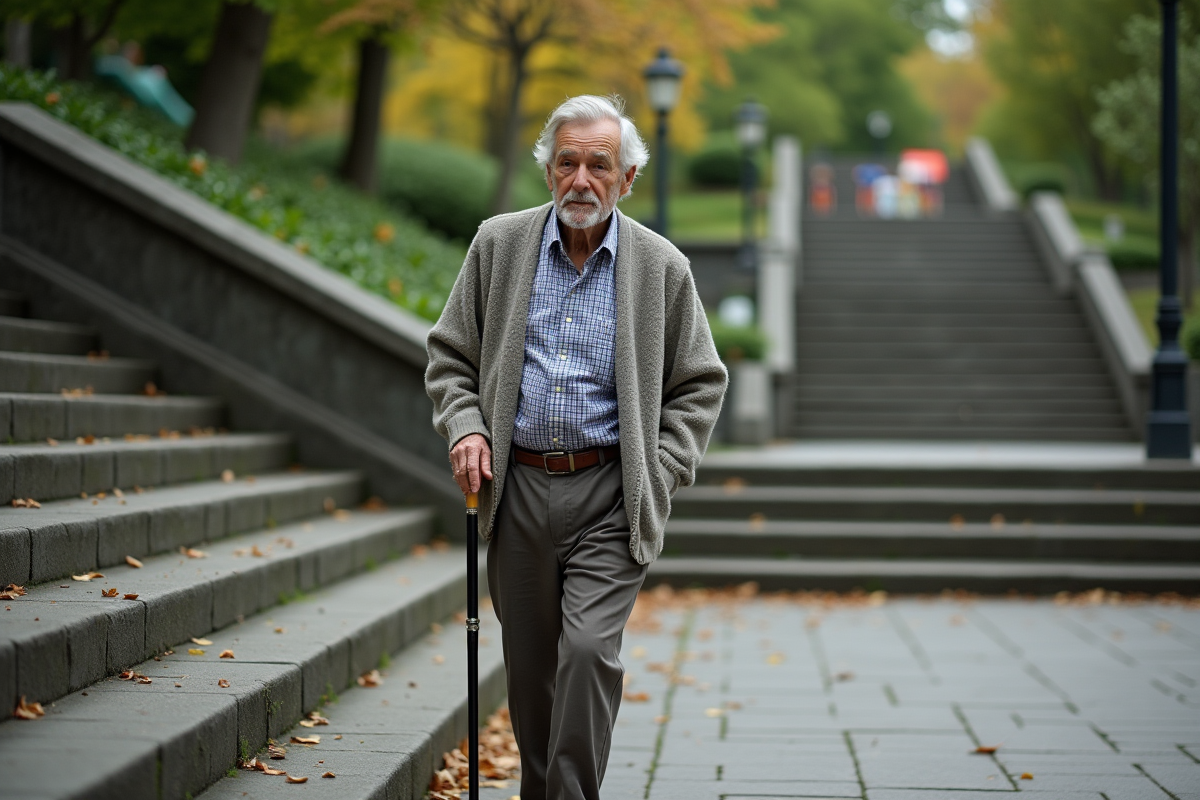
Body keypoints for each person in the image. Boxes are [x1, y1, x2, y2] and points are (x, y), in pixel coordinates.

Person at [425, 94, 727, 800]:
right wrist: (466, 425)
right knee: (531, 677)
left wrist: (659, 469)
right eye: (568, 163)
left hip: (611, 497)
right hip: (520, 491)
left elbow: (701, 382)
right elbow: (449, 356)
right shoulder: (498, 246)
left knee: (589, 653)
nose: (582, 180)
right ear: (548, 170)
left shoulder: (661, 266)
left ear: (626, 180)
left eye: (600, 165)